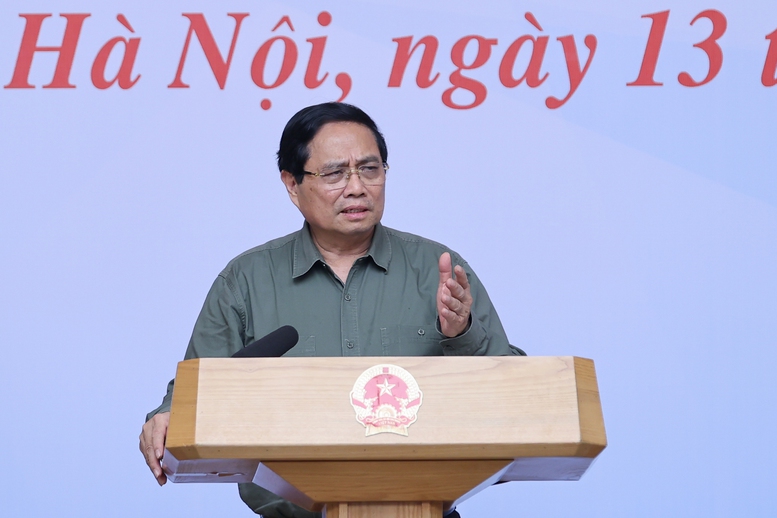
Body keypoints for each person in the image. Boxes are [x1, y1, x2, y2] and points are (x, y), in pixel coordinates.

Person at [140, 102, 524, 518]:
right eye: (335, 173)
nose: (357, 187)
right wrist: (165, 417)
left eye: (370, 169)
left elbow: (517, 397)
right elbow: (193, 396)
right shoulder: (246, 280)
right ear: (292, 184)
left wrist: (462, 333)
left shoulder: (439, 270)